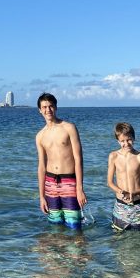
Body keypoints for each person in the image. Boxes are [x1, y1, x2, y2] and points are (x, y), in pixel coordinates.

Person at [35, 92, 86, 229]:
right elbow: (41, 167)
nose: (48, 110)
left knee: (74, 225)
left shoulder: (69, 128)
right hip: (50, 184)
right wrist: (41, 196)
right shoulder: (40, 136)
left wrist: (80, 188)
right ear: (40, 110)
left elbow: (78, 159)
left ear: (56, 107)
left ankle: (76, 250)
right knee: (55, 226)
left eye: (51, 106)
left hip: (69, 181)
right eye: (44, 107)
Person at [107, 122, 140, 232]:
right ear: (118, 141)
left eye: (129, 140)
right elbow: (109, 182)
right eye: (122, 141)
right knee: (119, 241)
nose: (126, 143)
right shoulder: (113, 156)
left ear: (134, 138)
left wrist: (135, 193)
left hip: (139, 206)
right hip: (121, 206)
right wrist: (120, 191)